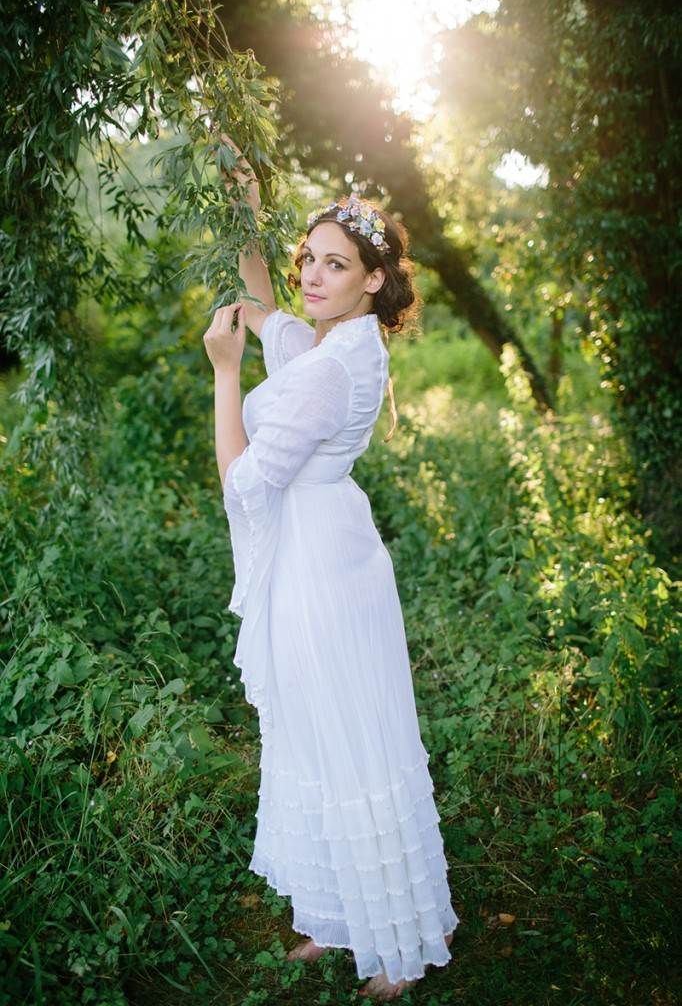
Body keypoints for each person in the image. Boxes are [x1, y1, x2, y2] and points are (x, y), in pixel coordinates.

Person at [203, 137, 459, 1001]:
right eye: (307, 258)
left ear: (373, 282)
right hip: (335, 548)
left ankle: (391, 944)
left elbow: (242, 485)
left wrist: (224, 378)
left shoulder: (325, 372)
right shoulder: (336, 346)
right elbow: (263, 305)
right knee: (318, 732)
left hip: (318, 570)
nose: (311, 276)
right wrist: (246, 205)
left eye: (335, 265)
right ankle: (332, 912)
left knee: (346, 736)